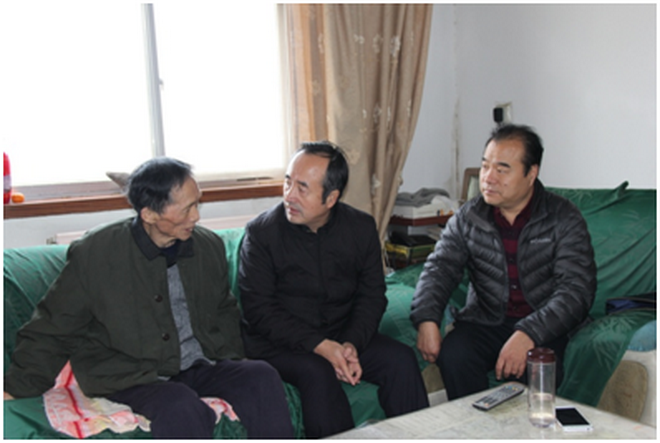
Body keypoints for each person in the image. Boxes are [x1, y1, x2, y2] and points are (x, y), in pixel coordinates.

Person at [4, 157, 294, 439]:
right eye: (187, 209)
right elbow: (55, 325)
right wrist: (18, 387)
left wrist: (230, 355)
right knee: (179, 406)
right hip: (132, 374)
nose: (196, 216)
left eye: (197, 204)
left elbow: (225, 310)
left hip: (199, 365)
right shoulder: (96, 254)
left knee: (260, 375)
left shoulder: (207, 247)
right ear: (149, 214)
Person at [238, 141, 429, 438]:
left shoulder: (360, 228)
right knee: (318, 372)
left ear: (331, 198)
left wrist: (351, 343)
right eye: (288, 182)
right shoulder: (262, 233)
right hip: (281, 344)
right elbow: (259, 311)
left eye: (302, 188)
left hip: (342, 332)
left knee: (400, 360)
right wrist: (321, 346)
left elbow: (371, 295)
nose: (289, 195)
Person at [410, 124, 596, 400]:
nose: (488, 178)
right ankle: (473, 424)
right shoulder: (469, 217)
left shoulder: (563, 217)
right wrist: (426, 318)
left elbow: (576, 290)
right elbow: (439, 269)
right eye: (485, 166)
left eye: (502, 169)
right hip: (487, 320)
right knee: (455, 356)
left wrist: (528, 333)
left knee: (536, 370)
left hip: (546, 323)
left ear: (531, 173)